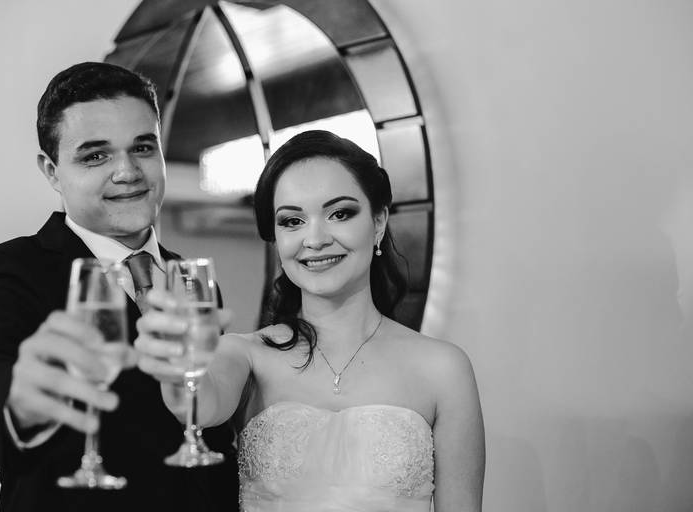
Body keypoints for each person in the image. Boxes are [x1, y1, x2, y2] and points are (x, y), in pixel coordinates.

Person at [136, 130, 485, 511]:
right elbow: (199, 405)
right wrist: (175, 366)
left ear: (379, 221)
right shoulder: (247, 354)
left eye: (340, 214)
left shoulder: (443, 369)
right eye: (292, 221)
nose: (314, 239)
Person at [0, 62, 239, 512]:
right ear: (51, 171)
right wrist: (17, 403)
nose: (128, 171)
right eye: (95, 156)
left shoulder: (193, 279)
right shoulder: (7, 270)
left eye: (143, 147)